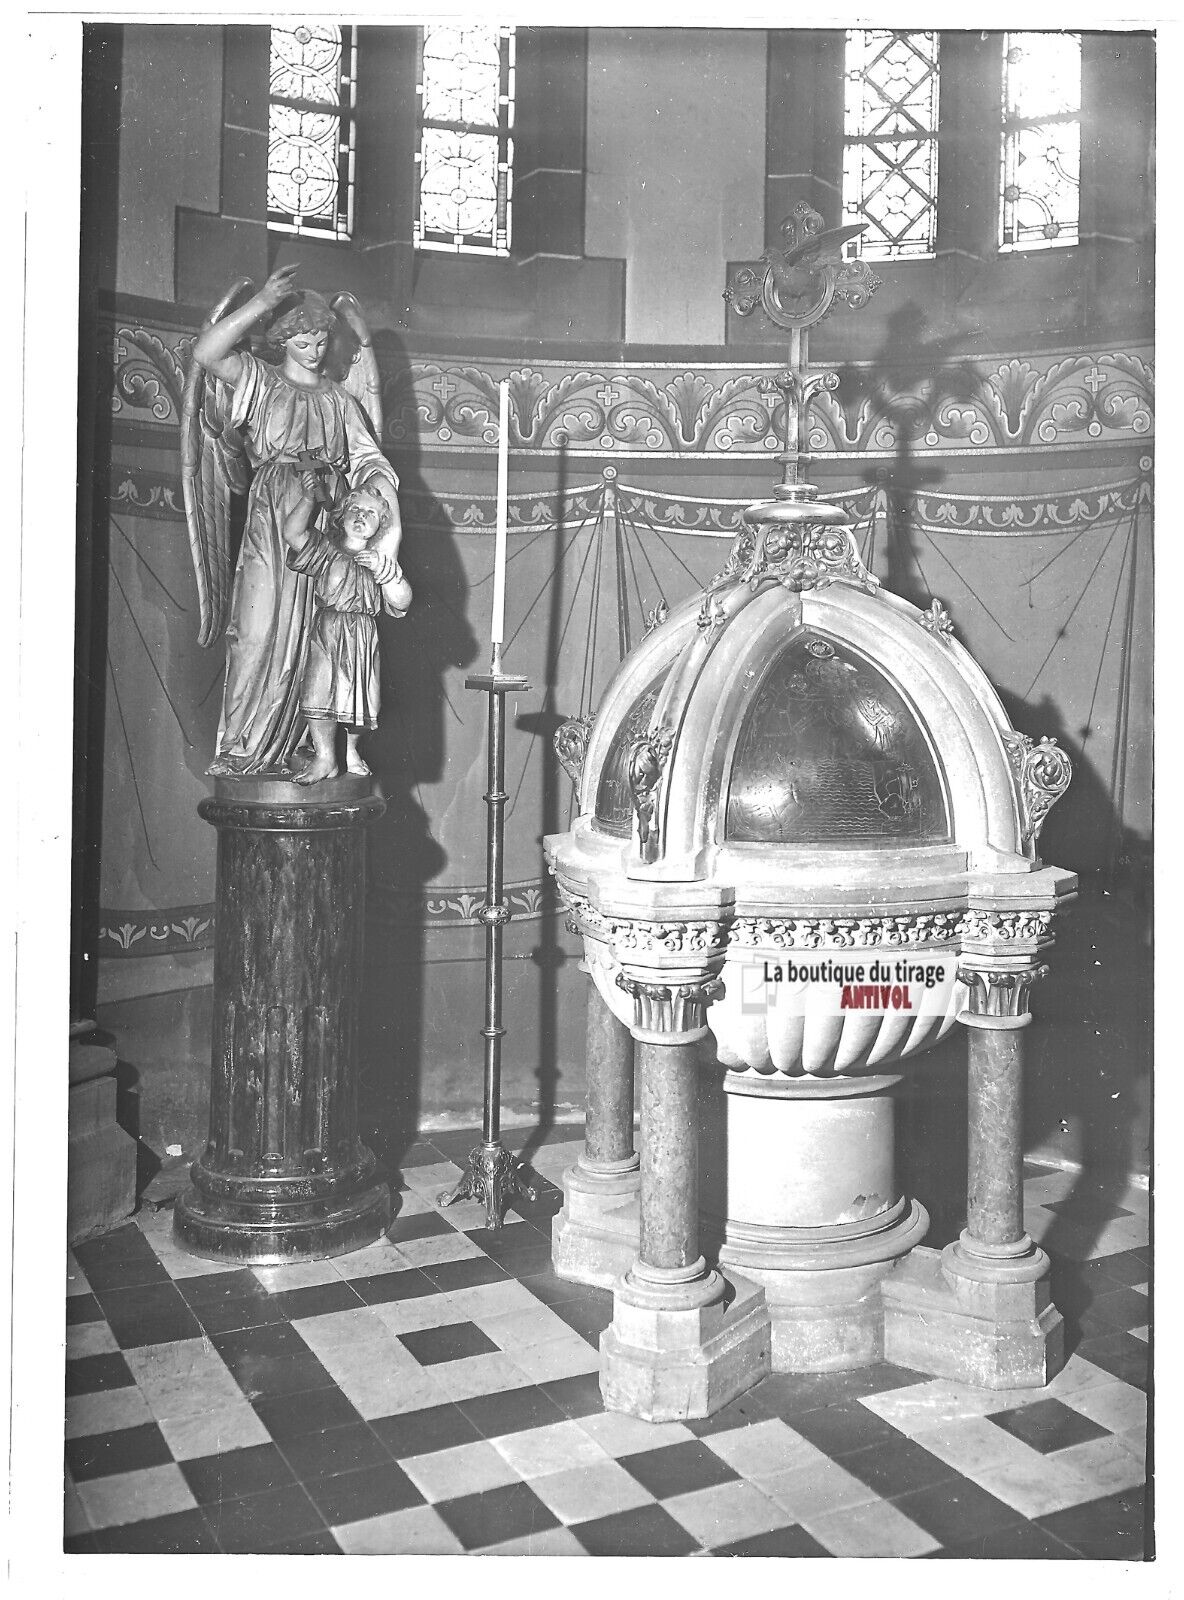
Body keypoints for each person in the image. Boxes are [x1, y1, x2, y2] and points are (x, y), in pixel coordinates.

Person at [190, 264, 402, 776]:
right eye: (303, 340)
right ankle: (246, 747)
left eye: (322, 340)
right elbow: (206, 353)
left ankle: (319, 750)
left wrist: (383, 514)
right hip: (274, 519)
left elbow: (371, 464)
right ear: (283, 340)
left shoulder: (338, 399)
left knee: (323, 638)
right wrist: (262, 302)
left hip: (327, 524)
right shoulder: (259, 381)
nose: (315, 350)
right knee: (260, 630)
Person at [281, 473, 412, 784]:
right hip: (328, 630)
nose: (361, 517)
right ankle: (326, 756)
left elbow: (403, 601)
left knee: (361, 699)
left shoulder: (380, 561)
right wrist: (309, 498)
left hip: (362, 636)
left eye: (370, 513)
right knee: (318, 692)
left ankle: (352, 751)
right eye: (355, 510)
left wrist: (385, 573)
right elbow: (292, 533)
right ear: (342, 515)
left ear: (381, 523)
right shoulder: (327, 549)